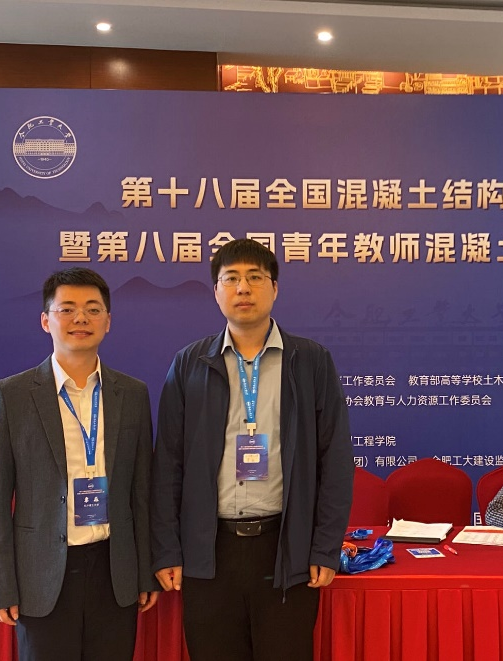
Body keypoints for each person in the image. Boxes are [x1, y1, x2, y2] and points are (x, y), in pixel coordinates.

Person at [151, 238, 354, 661]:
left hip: (286, 549)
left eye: (255, 277)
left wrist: (324, 547)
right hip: (208, 551)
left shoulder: (310, 361)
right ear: (216, 291)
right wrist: (167, 549)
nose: (243, 288)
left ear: (274, 288)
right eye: (231, 278)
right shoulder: (190, 364)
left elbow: (334, 461)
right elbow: (168, 463)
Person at [0, 267, 157, 661]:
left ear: (108, 321)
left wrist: (145, 571)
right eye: (67, 309)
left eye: (93, 309)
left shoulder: (132, 393)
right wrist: (0, 585)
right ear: (46, 320)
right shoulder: (12, 395)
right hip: (41, 575)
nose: (81, 318)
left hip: (114, 572)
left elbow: (142, 491)